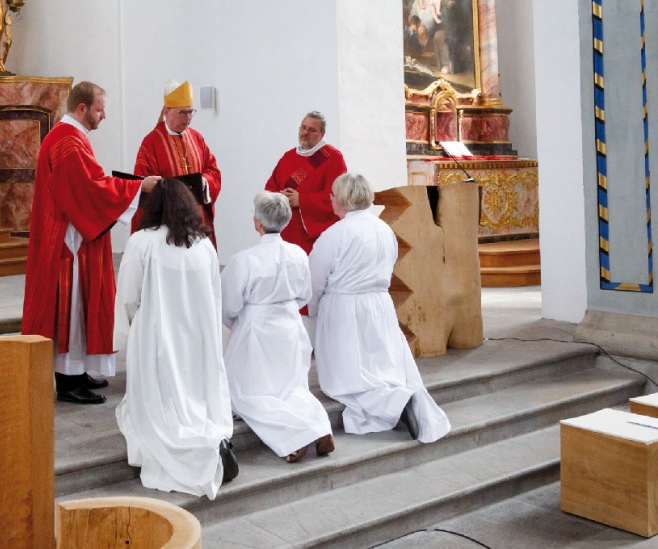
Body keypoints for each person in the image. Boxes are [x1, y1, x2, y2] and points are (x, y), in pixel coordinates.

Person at [22, 81, 160, 405]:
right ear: (82, 108)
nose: (104, 115)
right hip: (67, 244)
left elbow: (92, 184)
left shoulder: (69, 137)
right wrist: (140, 188)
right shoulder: (67, 142)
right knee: (71, 309)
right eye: (100, 109)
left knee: (79, 308)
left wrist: (131, 187)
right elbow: (89, 189)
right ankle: (68, 381)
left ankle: (78, 370)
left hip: (73, 238)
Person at [114, 179, 234, 499]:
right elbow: (214, 294)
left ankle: (190, 452)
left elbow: (128, 296)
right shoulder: (204, 244)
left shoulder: (142, 242)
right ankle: (208, 442)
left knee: (157, 402)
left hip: (157, 334)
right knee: (193, 394)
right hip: (196, 336)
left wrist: (126, 332)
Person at [308, 173, 451, 443]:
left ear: (342, 199)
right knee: (380, 363)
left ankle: (394, 402)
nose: (331, 201)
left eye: (332, 196)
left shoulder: (336, 234)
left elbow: (314, 279)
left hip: (344, 308)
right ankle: (397, 396)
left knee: (348, 378)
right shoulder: (384, 229)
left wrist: (314, 308)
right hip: (379, 304)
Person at [221, 192, 334, 463]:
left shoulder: (244, 260)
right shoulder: (298, 253)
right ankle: (320, 427)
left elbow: (229, 305)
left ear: (257, 223)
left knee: (246, 394)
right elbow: (305, 295)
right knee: (293, 388)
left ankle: (291, 439)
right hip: (290, 327)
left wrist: (239, 322)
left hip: (257, 330)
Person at [134, 81, 222, 246]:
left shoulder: (197, 138)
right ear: (166, 112)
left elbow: (213, 170)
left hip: (196, 218)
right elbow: (144, 184)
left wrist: (204, 181)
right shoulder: (151, 142)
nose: (188, 118)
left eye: (190, 112)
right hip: (168, 222)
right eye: (182, 113)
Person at [264, 111, 348, 254]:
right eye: (303, 128)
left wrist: (302, 200)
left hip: (313, 238)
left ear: (322, 133)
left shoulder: (333, 158)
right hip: (285, 231)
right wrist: (280, 197)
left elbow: (338, 197)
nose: (305, 133)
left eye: (311, 130)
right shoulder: (288, 157)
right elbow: (270, 188)